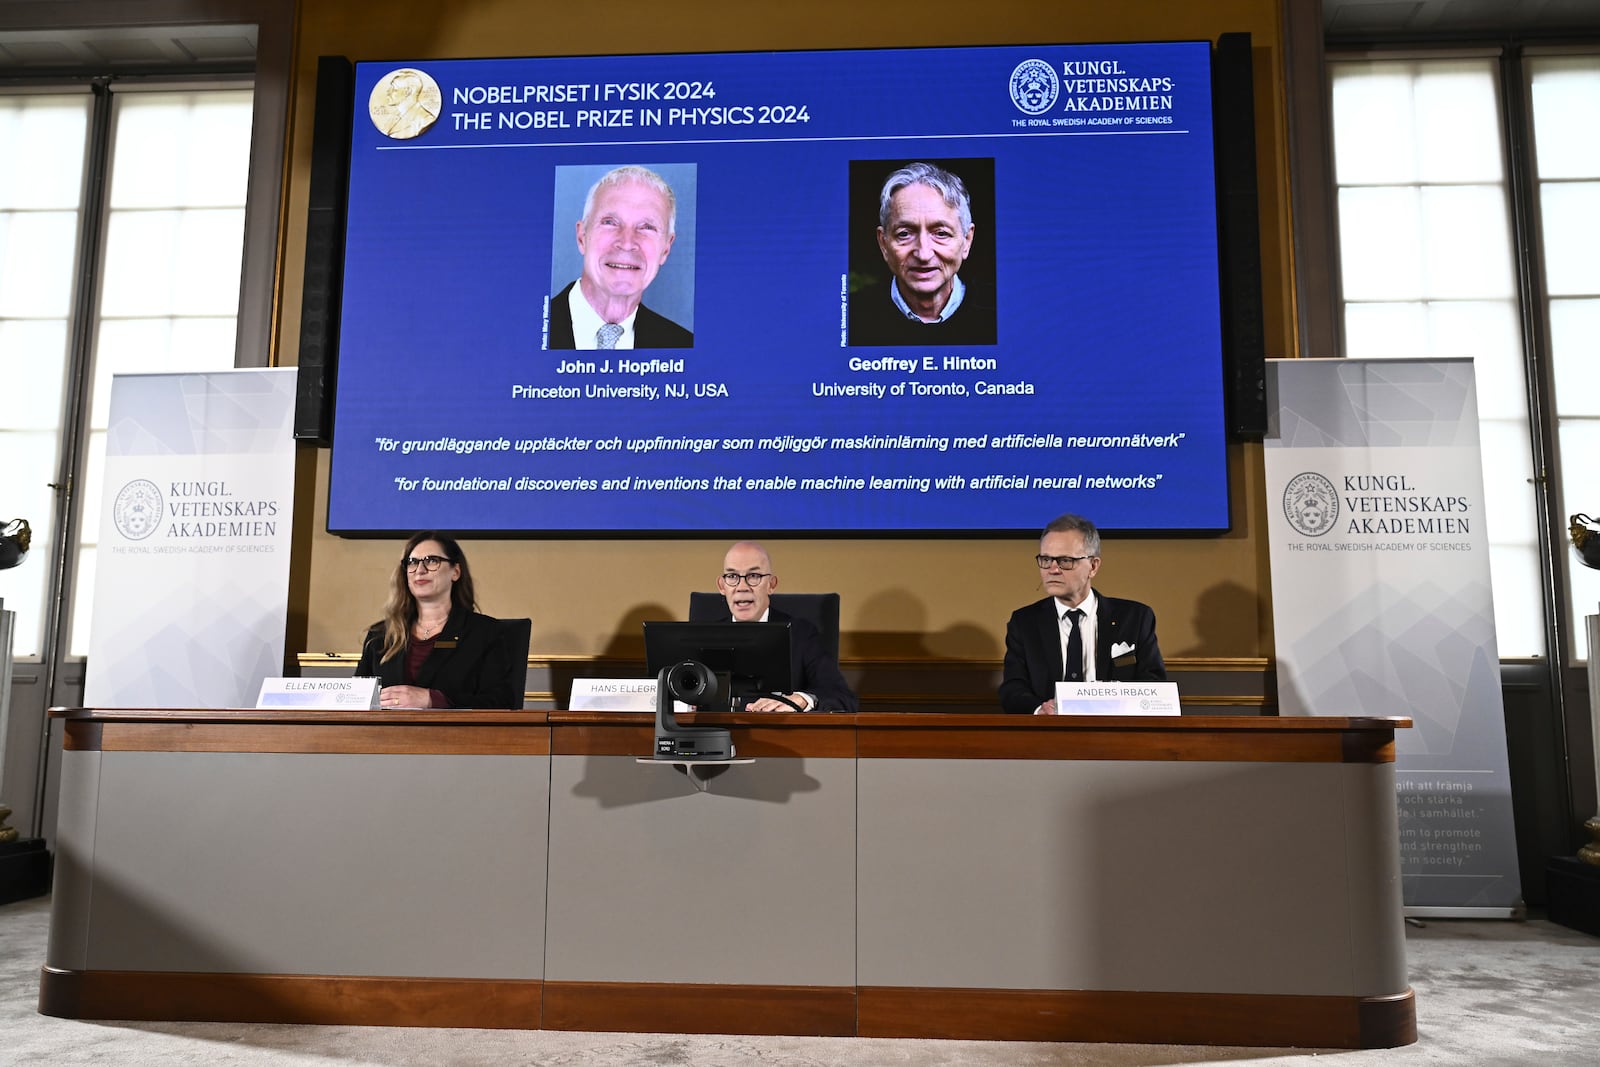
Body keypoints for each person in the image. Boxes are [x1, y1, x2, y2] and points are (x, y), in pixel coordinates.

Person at [998, 513, 1166, 715]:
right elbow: (1013, 689)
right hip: (1049, 735)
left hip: (1115, 734)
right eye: (1045, 559)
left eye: (1065, 561)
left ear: (1093, 566)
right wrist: (1040, 709)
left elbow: (1154, 684)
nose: (1052, 569)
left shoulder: (1135, 618)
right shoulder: (1025, 623)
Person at [356, 531, 524, 709]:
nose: (420, 570)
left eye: (431, 561)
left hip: (458, 735)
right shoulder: (380, 635)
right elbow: (356, 699)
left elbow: (502, 702)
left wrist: (431, 699)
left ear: (455, 572)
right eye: (412, 562)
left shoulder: (485, 632)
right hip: (384, 735)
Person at [849, 161, 996, 346]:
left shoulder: (1001, 312)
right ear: (883, 243)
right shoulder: (852, 318)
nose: (924, 254)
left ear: (966, 240)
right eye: (904, 234)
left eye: (941, 233)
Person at [547, 165, 693, 349]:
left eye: (647, 227)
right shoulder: (524, 330)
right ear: (582, 236)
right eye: (610, 222)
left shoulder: (683, 345)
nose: (626, 242)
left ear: (665, 248)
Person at [704, 541, 858, 712]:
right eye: (732, 577)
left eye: (753, 576)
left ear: (771, 584)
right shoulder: (706, 637)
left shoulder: (801, 634)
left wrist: (802, 699)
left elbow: (842, 697)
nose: (742, 587)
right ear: (721, 586)